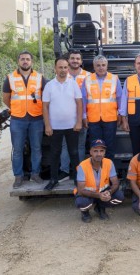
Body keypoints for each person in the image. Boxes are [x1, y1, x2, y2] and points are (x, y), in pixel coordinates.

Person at [3, 51, 47, 188]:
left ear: (31, 62)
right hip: (18, 119)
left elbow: (45, 97)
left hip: (36, 118)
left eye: (28, 59)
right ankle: (18, 176)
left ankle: (35, 174)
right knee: (17, 149)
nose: (25, 61)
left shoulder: (40, 77)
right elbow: (6, 99)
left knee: (36, 148)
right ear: (18, 61)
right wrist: (16, 109)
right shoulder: (10, 78)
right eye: (22, 59)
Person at [43, 57, 83, 190]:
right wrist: (47, 125)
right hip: (55, 127)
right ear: (55, 69)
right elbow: (45, 107)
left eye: (66, 67)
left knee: (74, 153)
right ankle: (54, 179)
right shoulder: (49, 85)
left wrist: (78, 122)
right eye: (60, 67)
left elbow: (79, 103)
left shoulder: (73, 84)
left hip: (72, 126)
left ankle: (77, 179)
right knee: (55, 153)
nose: (63, 70)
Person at [81, 55, 123, 160]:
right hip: (93, 119)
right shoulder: (87, 80)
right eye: (98, 65)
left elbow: (120, 98)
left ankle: (109, 171)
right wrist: (84, 116)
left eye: (103, 65)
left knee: (109, 146)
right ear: (94, 67)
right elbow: (83, 99)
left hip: (110, 118)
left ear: (107, 66)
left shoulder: (114, 79)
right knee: (96, 147)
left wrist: (120, 114)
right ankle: (97, 171)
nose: (101, 67)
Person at [74, 139, 124, 223]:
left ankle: (100, 207)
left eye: (101, 151)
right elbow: (81, 190)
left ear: (104, 152)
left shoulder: (109, 162)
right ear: (90, 152)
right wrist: (99, 195)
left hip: (102, 192)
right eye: (95, 151)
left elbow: (115, 183)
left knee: (119, 197)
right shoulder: (82, 166)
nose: (99, 154)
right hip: (87, 194)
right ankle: (85, 212)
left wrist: (109, 192)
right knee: (81, 202)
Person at [59, 50, 90, 179]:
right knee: (65, 144)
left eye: (78, 59)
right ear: (68, 60)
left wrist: (85, 116)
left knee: (80, 145)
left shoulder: (89, 76)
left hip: (82, 116)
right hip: (66, 116)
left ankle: (79, 170)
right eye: (72, 58)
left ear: (81, 61)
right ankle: (65, 170)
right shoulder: (62, 75)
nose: (75, 61)